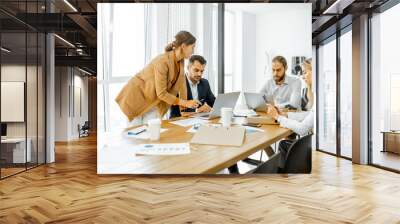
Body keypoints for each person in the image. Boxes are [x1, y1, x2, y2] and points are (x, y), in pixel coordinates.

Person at [115, 31, 200, 126]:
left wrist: (184, 108)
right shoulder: (163, 61)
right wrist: (185, 103)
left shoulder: (181, 62)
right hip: (137, 98)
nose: (193, 51)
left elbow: (181, 84)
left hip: (153, 102)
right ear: (183, 46)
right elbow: (161, 93)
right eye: (192, 47)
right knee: (136, 134)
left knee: (153, 132)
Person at [266, 58, 314, 169]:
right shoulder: (270, 82)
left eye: (305, 72)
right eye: (273, 70)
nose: (303, 76)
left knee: (284, 142)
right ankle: (275, 167)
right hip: (287, 117)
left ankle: (277, 169)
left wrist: (278, 117)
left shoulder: (295, 82)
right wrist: (286, 115)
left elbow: (302, 129)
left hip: (307, 147)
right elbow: (309, 115)